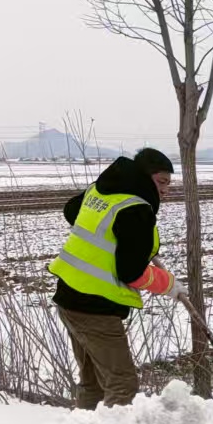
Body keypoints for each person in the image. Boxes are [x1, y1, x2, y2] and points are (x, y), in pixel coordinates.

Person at [49, 147, 176, 409]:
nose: (165, 190)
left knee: (93, 382)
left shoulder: (102, 189)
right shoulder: (137, 209)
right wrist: (168, 285)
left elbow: (71, 210)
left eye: (168, 183)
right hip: (95, 307)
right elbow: (131, 272)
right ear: (144, 176)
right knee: (122, 384)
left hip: (69, 297)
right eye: (162, 182)